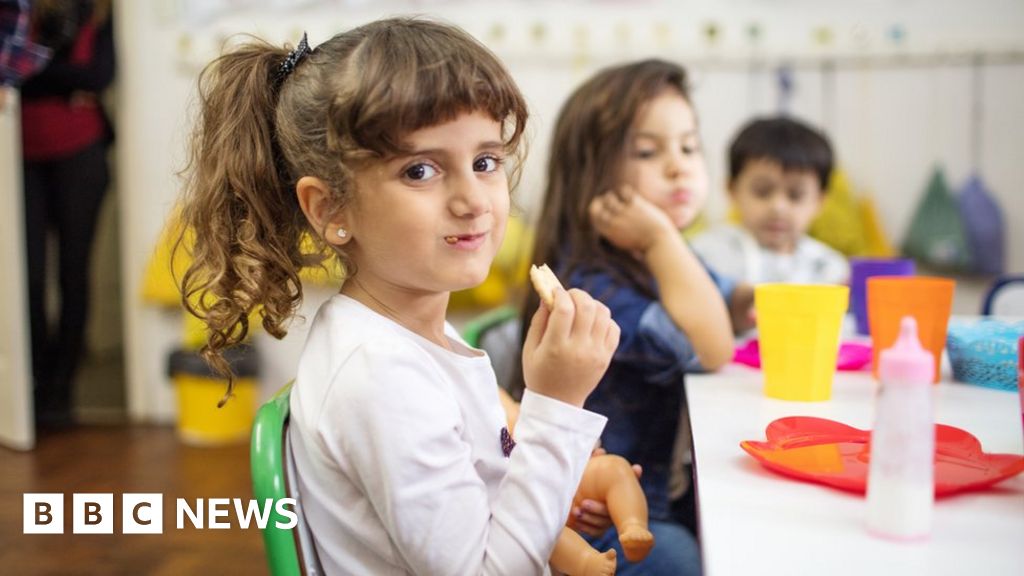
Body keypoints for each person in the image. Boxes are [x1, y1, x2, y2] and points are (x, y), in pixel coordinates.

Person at [176, 18, 623, 575]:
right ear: (330, 210)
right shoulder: (381, 377)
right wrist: (556, 405)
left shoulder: (417, 332)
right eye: (420, 170)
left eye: (485, 162)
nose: (473, 201)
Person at [515, 59, 747, 575]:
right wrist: (661, 238)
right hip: (608, 522)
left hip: (672, 486)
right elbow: (710, 347)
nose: (679, 166)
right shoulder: (594, 287)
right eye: (648, 151)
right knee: (693, 557)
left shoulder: (656, 258)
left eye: (689, 146)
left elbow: (724, 299)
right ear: (592, 174)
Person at [20, 0, 114, 427]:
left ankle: (61, 390)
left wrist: (35, 75)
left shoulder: (97, 13)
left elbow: (99, 76)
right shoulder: (17, 14)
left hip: (82, 156)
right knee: (28, 278)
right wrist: (63, 82)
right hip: (21, 158)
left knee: (73, 275)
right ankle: (32, 386)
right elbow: (16, 75)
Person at [691, 116, 849, 285]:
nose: (778, 207)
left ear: (820, 201)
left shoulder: (831, 269)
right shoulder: (704, 255)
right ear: (732, 190)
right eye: (762, 192)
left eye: (795, 195)